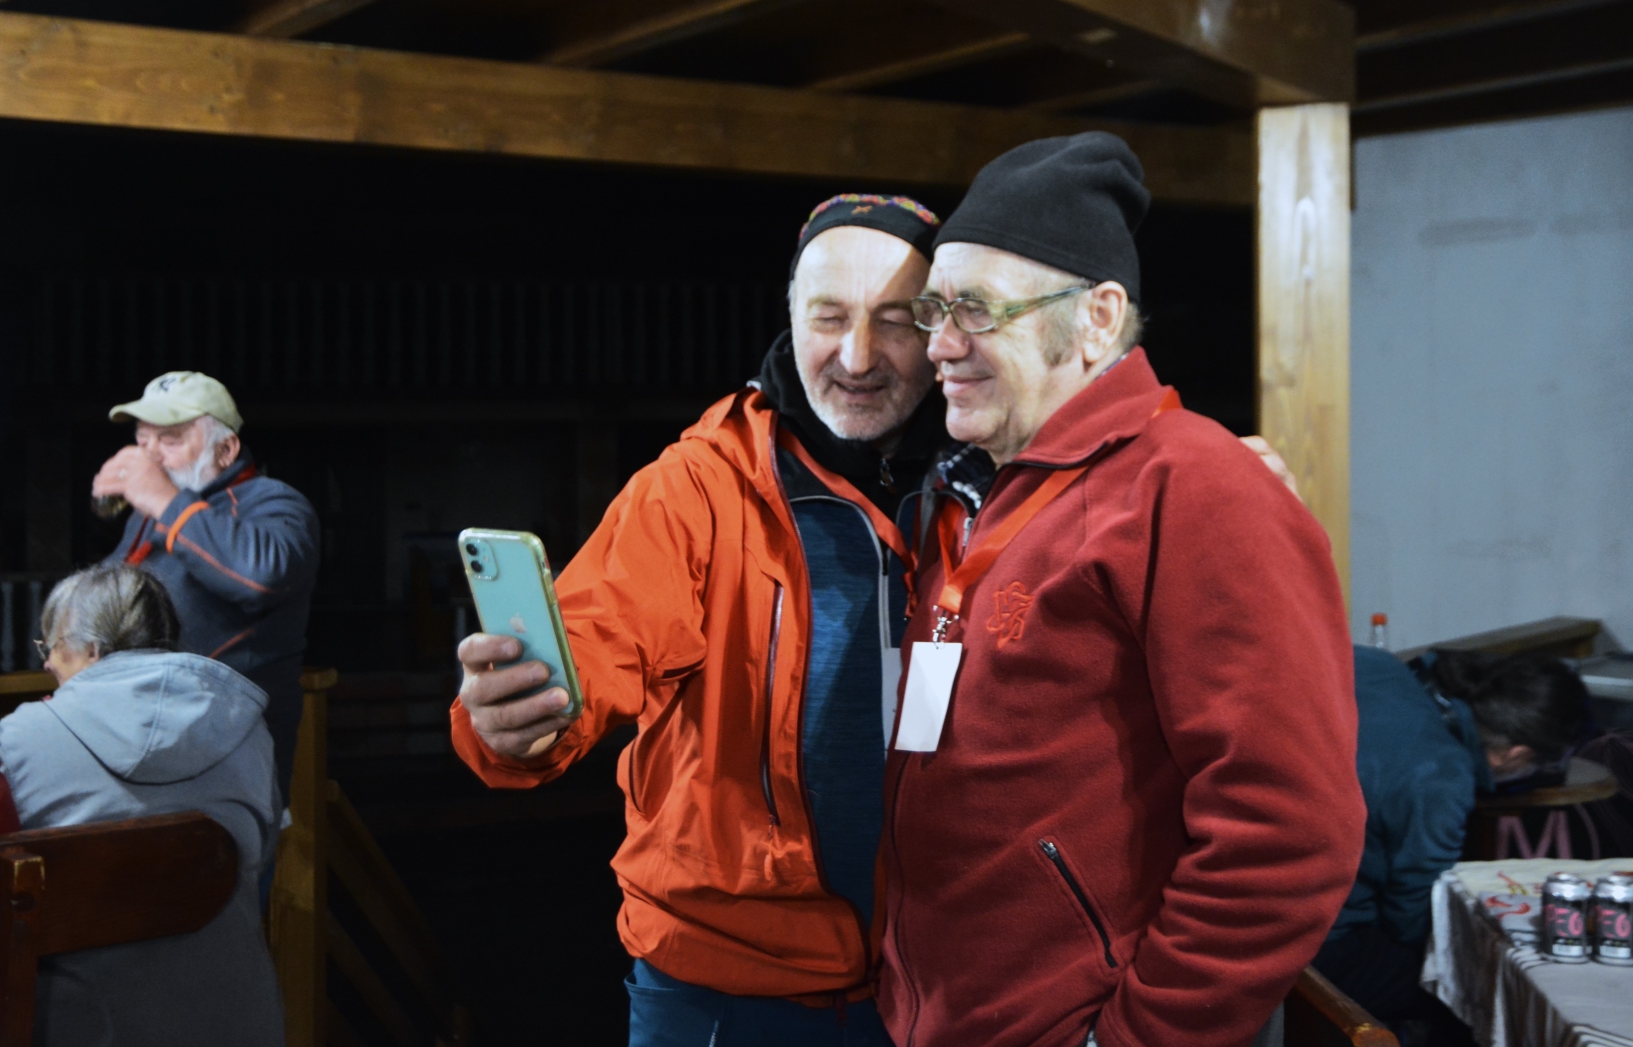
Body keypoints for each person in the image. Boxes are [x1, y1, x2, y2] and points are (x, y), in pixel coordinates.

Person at [880, 132, 1367, 1047]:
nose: (937, 345)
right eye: (934, 308)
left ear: (1097, 318)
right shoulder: (968, 492)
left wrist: (1137, 1038)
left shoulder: (1196, 488)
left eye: (975, 310)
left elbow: (1289, 832)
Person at [453, 193, 947, 1046]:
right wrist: (513, 718)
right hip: (729, 990)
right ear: (788, 317)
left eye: (895, 320)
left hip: (939, 982)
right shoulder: (699, 487)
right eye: (828, 316)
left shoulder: (983, 486)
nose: (857, 356)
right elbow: (593, 639)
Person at [0, 564, 285, 1047]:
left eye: (52, 648)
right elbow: (260, 856)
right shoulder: (244, 729)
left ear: (91, 648)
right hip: (238, 1021)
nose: (47, 664)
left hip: (77, 1027)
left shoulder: (14, 742)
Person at [1315, 646, 1590, 1041]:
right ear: (1515, 754)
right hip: (1315, 942)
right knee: (1471, 984)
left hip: (1239, 873)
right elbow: (1410, 910)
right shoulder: (1440, 777)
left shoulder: (1375, 664)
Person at [91, 370, 320, 800]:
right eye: (143, 441)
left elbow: (260, 577)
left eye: (170, 440)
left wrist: (162, 501)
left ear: (225, 449)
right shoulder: (150, 514)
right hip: (139, 735)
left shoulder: (274, 501)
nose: (150, 457)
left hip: (225, 751)